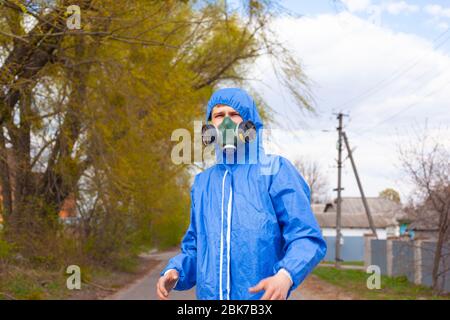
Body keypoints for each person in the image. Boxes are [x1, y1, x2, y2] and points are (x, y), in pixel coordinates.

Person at [156, 88, 326, 300]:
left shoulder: (275, 171)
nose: (226, 122)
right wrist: (176, 271)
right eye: (219, 115)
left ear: (249, 124)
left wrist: (286, 275)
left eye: (234, 114)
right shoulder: (202, 184)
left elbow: (306, 237)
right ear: (210, 128)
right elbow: (196, 249)